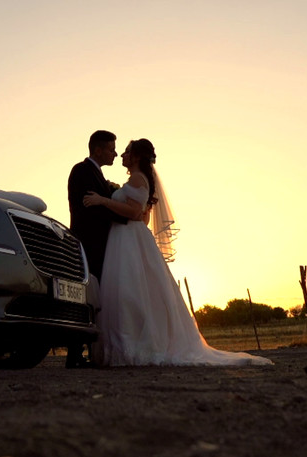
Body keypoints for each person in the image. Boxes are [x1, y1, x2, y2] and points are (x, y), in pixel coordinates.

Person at [83, 139, 272, 366]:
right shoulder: (140, 180)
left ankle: (130, 347)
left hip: (129, 239)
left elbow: (134, 213)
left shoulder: (136, 178)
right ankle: (124, 346)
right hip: (127, 238)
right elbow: (144, 216)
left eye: (126, 151)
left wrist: (103, 200)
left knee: (128, 291)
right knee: (129, 291)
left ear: (136, 156)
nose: (122, 154)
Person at [66, 130, 127, 368]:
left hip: (101, 244)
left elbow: (102, 199)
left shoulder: (96, 174)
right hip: (89, 242)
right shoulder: (81, 171)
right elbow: (91, 208)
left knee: (97, 296)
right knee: (86, 296)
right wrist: (128, 218)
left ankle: (88, 351)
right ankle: (74, 354)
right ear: (98, 149)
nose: (115, 153)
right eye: (111, 149)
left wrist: (110, 193)